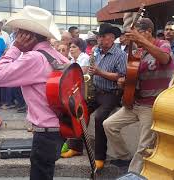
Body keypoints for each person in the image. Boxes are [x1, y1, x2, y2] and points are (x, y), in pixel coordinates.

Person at [0, 6, 68, 180]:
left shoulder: (34, 58)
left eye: (19, 33)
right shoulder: (55, 55)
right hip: (59, 126)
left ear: (28, 35)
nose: (16, 37)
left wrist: (15, 48)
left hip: (46, 131)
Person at [103, 18, 174, 173]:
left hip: (152, 105)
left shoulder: (163, 44)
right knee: (108, 125)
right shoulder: (138, 52)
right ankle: (124, 157)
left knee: (144, 145)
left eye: (138, 34)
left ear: (148, 32)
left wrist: (141, 41)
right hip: (134, 102)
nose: (135, 39)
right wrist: (125, 81)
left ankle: (133, 174)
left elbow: (164, 58)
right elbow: (133, 76)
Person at [62, 23, 127, 171]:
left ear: (111, 38)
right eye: (99, 36)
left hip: (111, 93)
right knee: (78, 111)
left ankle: (99, 157)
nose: (99, 39)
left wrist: (99, 72)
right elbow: (93, 69)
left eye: (103, 36)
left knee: (99, 118)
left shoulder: (121, 55)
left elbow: (122, 76)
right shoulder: (97, 50)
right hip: (95, 90)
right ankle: (76, 147)